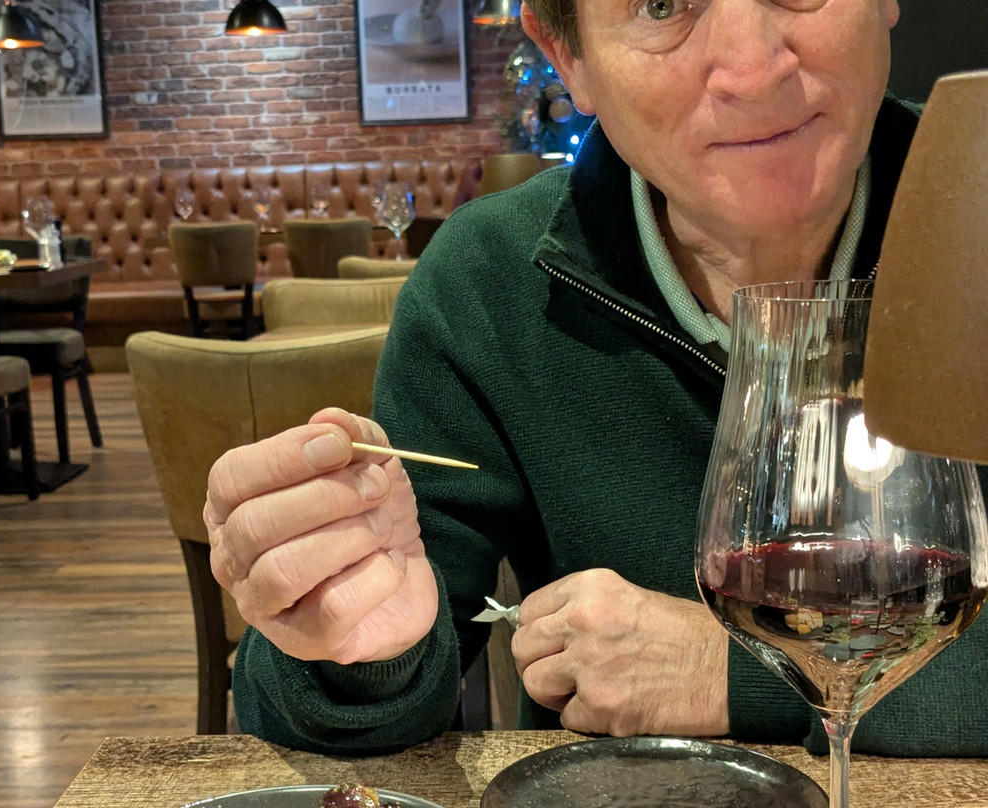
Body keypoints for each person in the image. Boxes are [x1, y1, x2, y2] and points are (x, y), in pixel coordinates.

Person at [205, 0, 988, 756]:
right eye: (661, 5)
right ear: (568, 56)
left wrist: (736, 671)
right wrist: (344, 636)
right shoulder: (489, 285)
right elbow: (321, 705)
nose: (752, 71)